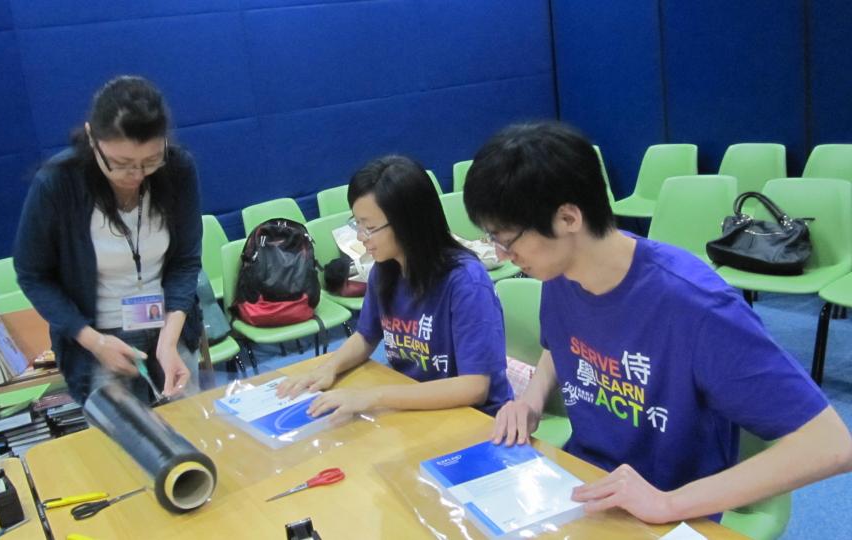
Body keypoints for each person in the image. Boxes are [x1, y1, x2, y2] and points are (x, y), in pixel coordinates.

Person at [462, 121, 852, 523]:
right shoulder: (560, 274)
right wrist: (531, 400)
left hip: (670, 511)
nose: (502, 255)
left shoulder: (696, 305)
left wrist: (669, 504)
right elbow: (559, 346)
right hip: (585, 487)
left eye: (507, 239)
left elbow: (830, 445)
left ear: (567, 218)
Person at [276, 155, 513, 418]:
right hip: (414, 407)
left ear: (409, 223)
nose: (360, 237)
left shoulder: (465, 282)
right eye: (358, 224)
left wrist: (374, 397)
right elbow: (366, 336)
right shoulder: (386, 268)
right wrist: (330, 367)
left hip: (474, 417)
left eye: (370, 227)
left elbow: (473, 388)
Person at [14, 76, 203, 405]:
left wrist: (169, 341)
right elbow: (33, 275)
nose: (137, 175)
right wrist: (94, 342)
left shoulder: (178, 169)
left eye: (150, 161)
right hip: (100, 340)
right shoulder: (57, 185)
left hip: (168, 329)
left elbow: (186, 260)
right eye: (120, 164)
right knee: (120, 447)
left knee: (190, 431)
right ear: (91, 138)